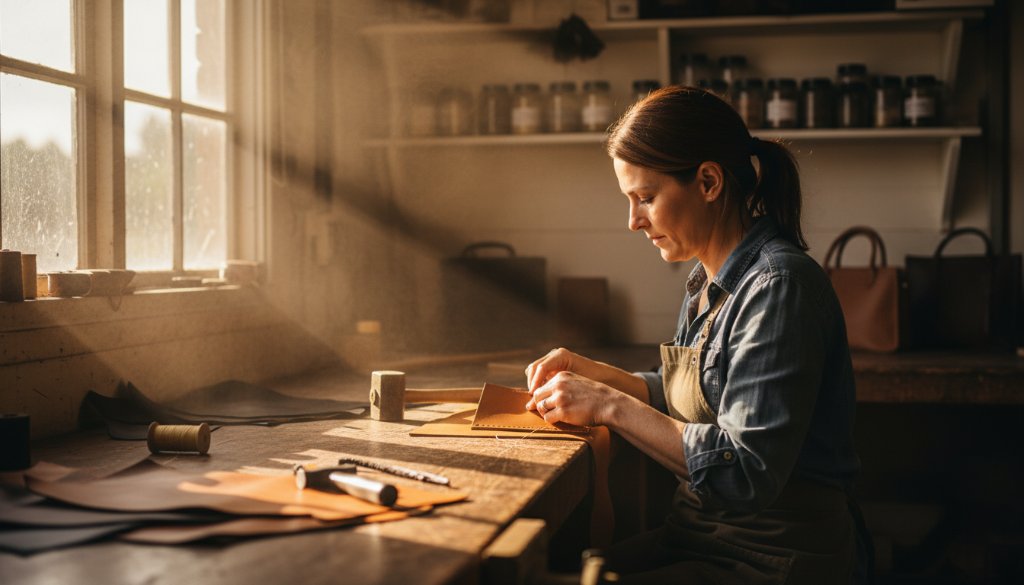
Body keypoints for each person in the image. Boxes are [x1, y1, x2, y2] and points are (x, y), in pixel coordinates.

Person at [524, 85, 869, 584]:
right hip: (697, 537)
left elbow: (744, 472)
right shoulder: (708, 280)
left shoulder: (778, 286)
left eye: (645, 198)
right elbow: (707, 396)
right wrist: (599, 376)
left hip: (770, 559)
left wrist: (608, 404)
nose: (632, 221)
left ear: (708, 181)